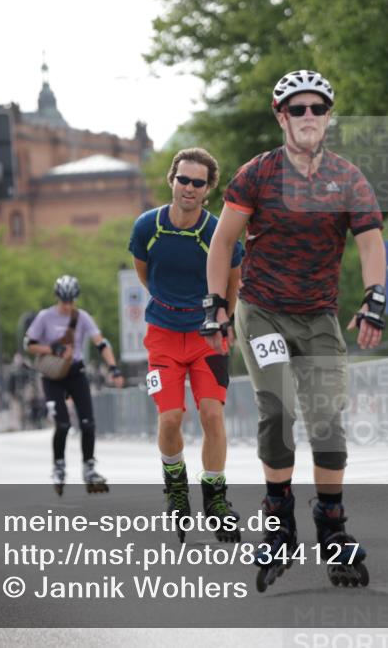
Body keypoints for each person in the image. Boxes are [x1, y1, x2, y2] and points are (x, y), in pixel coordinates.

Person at [205, 70, 386, 589]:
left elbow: (370, 242)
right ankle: (279, 521)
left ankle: (332, 526)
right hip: (261, 308)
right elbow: (222, 243)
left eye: (318, 108)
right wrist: (217, 304)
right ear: (280, 115)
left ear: (328, 116)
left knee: (327, 419)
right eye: (298, 108)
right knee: (279, 407)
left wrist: (374, 297)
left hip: (319, 312)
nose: (309, 117)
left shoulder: (348, 178)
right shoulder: (256, 175)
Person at [128, 147, 245, 542]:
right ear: (172, 180)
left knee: (212, 415)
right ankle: (176, 487)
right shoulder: (147, 226)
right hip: (161, 334)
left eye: (198, 182)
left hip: (207, 333)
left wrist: (222, 317)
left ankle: (215, 497)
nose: (189, 188)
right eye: (183, 179)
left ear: (207, 189)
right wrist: (171, 305)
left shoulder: (217, 230)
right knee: (170, 418)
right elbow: (145, 273)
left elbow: (233, 280)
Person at [24, 275, 124, 494]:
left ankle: (89, 467)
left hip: (76, 372)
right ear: (57, 297)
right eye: (63, 300)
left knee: (88, 423)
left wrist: (113, 367)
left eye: (71, 300)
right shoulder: (45, 317)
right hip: (52, 377)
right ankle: (59, 466)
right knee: (62, 424)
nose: (67, 305)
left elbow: (101, 342)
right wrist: (52, 349)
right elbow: (29, 344)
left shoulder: (82, 317)